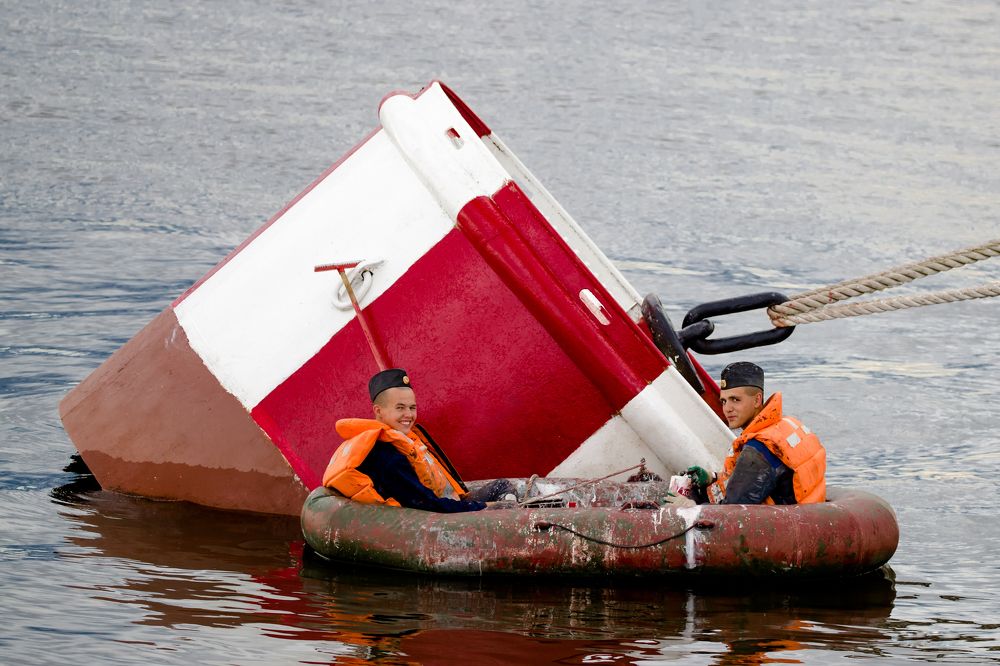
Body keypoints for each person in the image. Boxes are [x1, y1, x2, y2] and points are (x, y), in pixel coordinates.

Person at [322, 368, 514, 512]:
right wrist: (486, 506)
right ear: (378, 412)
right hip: (440, 515)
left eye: (412, 408)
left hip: (450, 502)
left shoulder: (406, 441)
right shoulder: (386, 455)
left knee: (503, 487)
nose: (408, 415)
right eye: (400, 408)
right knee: (506, 507)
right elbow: (426, 505)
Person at [686, 362, 826, 505]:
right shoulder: (783, 426)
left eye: (735, 400)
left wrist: (690, 505)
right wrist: (713, 478)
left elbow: (731, 512)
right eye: (724, 401)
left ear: (757, 400)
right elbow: (756, 479)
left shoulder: (759, 449)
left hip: (781, 524)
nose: (727, 408)